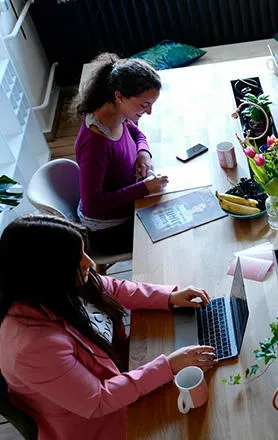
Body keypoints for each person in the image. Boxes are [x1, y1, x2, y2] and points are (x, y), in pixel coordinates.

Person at [0, 215, 216, 440]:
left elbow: (112, 287)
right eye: (77, 259)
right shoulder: (31, 347)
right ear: (46, 272)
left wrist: (169, 297)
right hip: (96, 423)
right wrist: (169, 366)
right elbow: (97, 400)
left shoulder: (60, 283)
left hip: (122, 373)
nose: (90, 263)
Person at [74, 53, 169, 255]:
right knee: (171, 239)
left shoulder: (116, 112)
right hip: (109, 228)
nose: (149, 112)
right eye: (144, 105)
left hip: (128, 198)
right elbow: (94, 203)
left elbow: (135, 131)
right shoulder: (95, 143)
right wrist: (143, 188)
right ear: (119, 96)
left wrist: (143, 152)